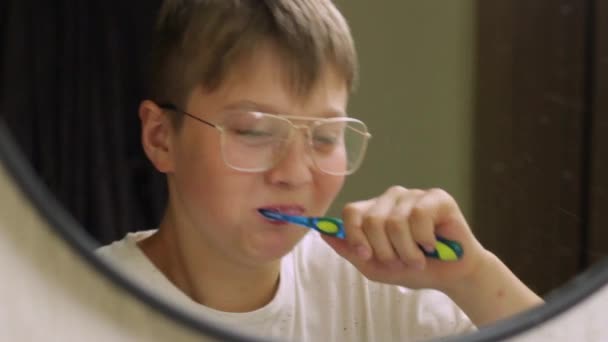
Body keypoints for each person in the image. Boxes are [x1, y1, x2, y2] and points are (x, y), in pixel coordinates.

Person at [97, 0, 543, 340]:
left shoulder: (376, 288)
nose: (294, 173)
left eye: (326, 137)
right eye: (253, 131)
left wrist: (473, 277)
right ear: (161, 138)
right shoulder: (71, 296)